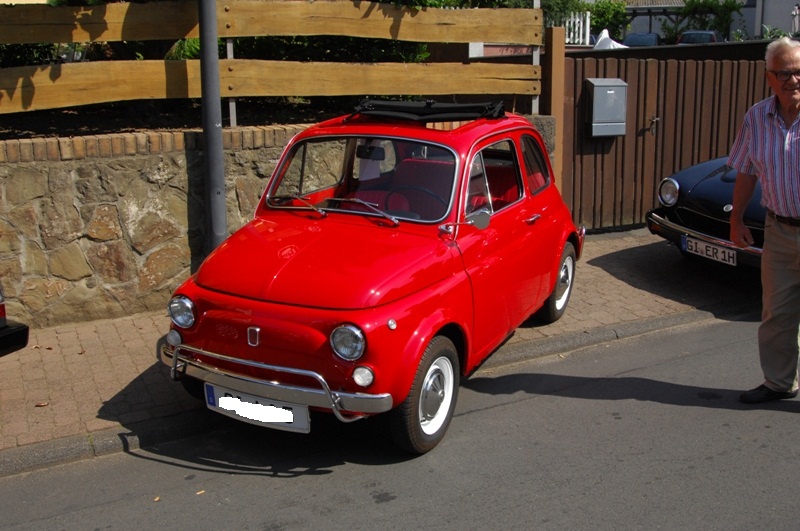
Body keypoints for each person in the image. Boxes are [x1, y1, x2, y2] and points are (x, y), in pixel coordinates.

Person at [729, 37, 800, 403]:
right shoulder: (757, 117)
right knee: (777, 314)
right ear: (769, 77)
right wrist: (736, 217)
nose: (794, 80)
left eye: (799, 72)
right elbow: (745, 170)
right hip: (780, 230)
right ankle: (778, 383)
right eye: (785, 72)